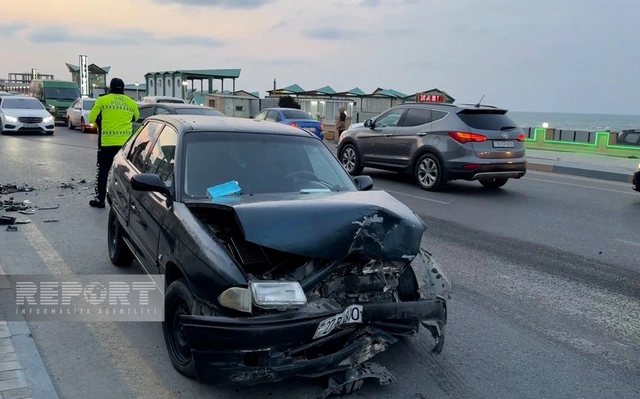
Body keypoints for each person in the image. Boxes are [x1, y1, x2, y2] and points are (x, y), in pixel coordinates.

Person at [88, 78, 139, 208]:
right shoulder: (131, 102)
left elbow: (91, 118)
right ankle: (126, 202)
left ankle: (100, 200)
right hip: (125, 145)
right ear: (123, 89)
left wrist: (101, 121)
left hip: (106, 143)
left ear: (110, 88)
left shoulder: (102, 100)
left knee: (103, 171)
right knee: (125, 174)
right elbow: (136, 117)